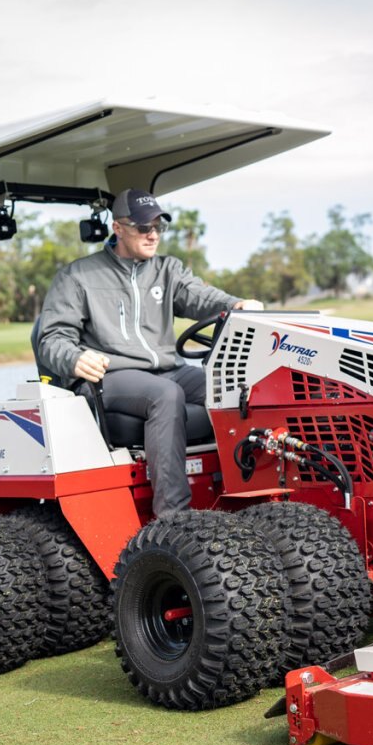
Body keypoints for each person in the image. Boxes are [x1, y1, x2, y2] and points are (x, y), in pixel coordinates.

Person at [36, 188, 262, 517]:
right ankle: (173, 517)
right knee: (165, 395)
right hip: (109, 376)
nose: (153, 234)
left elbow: (200, 297)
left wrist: (235, 305)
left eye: (158, 226)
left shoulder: (168, 270)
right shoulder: (78, 276)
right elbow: (51, 338)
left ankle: (248, 494)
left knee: (232, 385)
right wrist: (74, 358)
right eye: (144, 227)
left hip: (166, 370)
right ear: (118, 228)